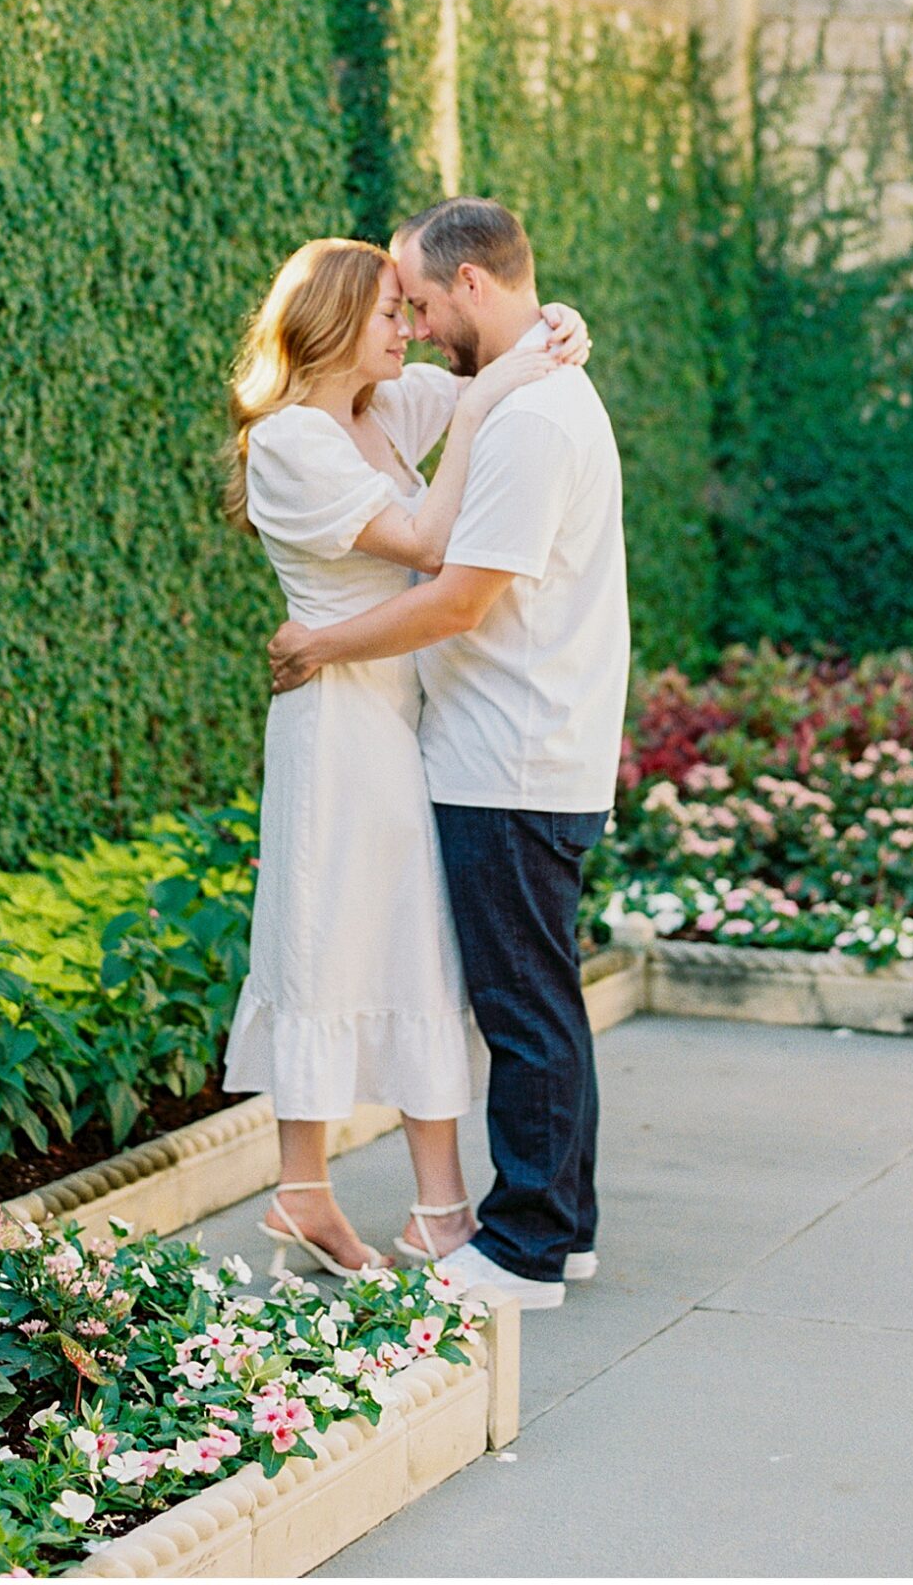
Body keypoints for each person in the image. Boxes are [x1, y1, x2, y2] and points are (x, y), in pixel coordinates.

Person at [269, 197, 628, 1312]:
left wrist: (543, 331)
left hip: (496, 747)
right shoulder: (329, 430)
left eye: (418, 301)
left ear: (468, 287)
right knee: (491, 986)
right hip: (413, 735)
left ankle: (524, 1241)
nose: (413, 326)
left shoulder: (500, 410)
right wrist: (535, 339)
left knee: (520, 1001)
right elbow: (474, 407)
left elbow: (455, 592)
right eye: (392, 310)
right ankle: (523, 1224)